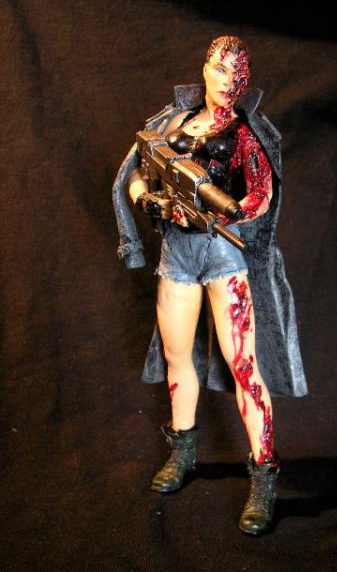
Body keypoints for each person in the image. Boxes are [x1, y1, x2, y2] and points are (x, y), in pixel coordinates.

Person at [112, 36, 307, 536]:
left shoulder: (244, 135)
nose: (228, 81)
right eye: (221, 69)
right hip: (177, 253)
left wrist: (231, 213)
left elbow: (262, 193)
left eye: (238, 74)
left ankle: (264, 473)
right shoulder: (172, 125)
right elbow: (134, 173)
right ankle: (183, 450)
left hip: (222, 253)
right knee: (178, 355)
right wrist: (149, 201)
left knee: (244, 366)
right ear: (205, 69)